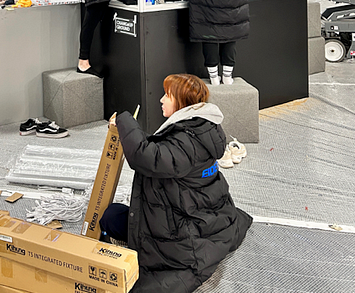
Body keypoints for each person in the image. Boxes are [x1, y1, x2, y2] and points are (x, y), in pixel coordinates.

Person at [101, 73, 252, 292]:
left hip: (182, 235)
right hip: (204, 218)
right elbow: (163, 151)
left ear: (181, 102)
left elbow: (144, 156)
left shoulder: (186, 140)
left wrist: (124, 120)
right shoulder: (202, 128)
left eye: (167, 95)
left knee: (110, 217)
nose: (161, 99)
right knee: (117, 216)